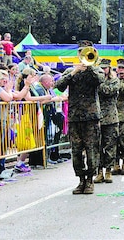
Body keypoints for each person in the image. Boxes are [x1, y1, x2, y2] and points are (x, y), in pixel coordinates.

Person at [53, 41, 105, 194]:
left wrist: (89, 67)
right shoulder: (71, 71)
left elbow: (100, 80)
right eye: (81, 51)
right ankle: (81, 179)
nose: (83, 55)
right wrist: (74, 72)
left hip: (91, 117)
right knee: (76, 151)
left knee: (91, 150)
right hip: (75, 117)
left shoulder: (96, 70)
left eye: (86, 52)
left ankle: (90, 180)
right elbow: (59, 85)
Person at [94, 58, 119, 184]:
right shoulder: (95, 80)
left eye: (105, 68)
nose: (103, 70)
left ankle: (108, 170)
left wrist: (98, 82)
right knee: (97, 146)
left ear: (109, 68)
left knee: (110, 146)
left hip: (110, 118)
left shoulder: (114, 80)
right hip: (97, 117)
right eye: (101, 68)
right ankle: (99, 172)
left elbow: (108, 91)